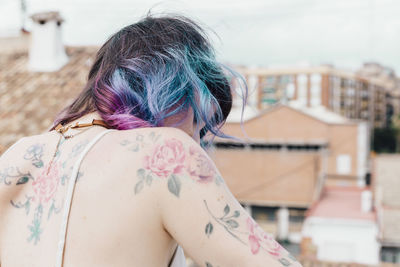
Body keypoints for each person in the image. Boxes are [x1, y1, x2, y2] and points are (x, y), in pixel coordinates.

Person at [0, 15, 302, 267]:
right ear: (177, 88)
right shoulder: (166, 153)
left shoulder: (17, 157)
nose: (196, 142)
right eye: (198, 122)